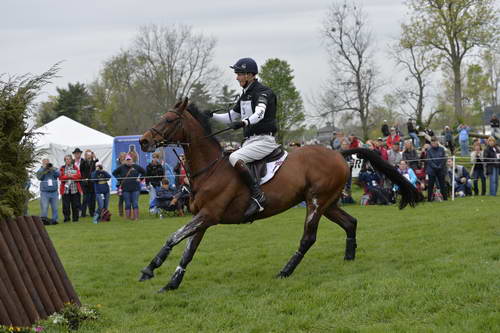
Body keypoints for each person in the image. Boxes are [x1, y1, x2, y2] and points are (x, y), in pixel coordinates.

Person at [208, 57, 279, 219]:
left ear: (249, 75)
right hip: (250, 141)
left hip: (264, 140)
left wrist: (244, 123)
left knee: (234, 157)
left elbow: (259, 114)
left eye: (239, 74)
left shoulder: (263, 92)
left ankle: (258, 195)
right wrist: (211, 115)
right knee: (226, 158)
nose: (236, 77)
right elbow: (232, 116)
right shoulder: (245, 95)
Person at [112, 154, 146, 220]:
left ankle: (136, 217)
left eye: (129, 160)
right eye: (127, 160)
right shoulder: (121, 167)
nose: (128, 161)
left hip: (135, 188)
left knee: (135, 203)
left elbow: (144, 172)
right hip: (125, 189)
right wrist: (119, 179)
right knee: (127, 203)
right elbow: (114, 173)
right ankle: (128, 218)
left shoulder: (136, 166)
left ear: (132, 160)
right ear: (125, 161)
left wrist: (140, 179)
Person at [59, 155, 83, 222]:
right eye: (66, 159)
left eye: (69, 159)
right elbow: (60, 178)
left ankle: (75, 219)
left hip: (74, 189)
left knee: (75, 205)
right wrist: (68, 176)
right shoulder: (62, 168)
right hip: (65, 190)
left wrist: (70, 176)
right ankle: (67, 218)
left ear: (71, 160)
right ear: (65, 160)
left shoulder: (75, 167)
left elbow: (79, 176)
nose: (68, 160)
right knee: (66, 206)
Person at [36, 158, 60, 225]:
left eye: (47, 163)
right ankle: (44, 220)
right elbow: (38, 177)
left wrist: (52, 168)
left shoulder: (53, 169)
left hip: (54, 192)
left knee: (55, 207)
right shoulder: (41, 170)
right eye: (45, 163)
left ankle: (55, 220)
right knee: (44, 207)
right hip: (45, 192)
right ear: (42, 163)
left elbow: (58, 174)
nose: (47, 164)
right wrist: (43, 168)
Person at [426, 137, 448, 201]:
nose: (433, 143)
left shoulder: (442, 149)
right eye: (432, 142)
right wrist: (435, 166)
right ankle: (429, 199)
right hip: (432, 170)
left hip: (441, 169)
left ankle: (445, 198)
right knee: (430, 185)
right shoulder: (429, 150)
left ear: (437, 141)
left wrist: (440, 166)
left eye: (434, 142)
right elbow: (429, 160)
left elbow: (444, 159)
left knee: (442, 184)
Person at [79, 149, 98, 218]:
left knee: (93, 198)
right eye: (87, 154)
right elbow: (81, 169)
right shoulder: (83, 162)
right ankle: (83, 213)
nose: (88, 156)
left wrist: (94, 156)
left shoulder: (93, 162)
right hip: (85, 182)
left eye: (89, 154)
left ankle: (92, 212)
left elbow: (98, 161)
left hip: (92, 182)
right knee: (85, 198)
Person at [116, 152, 127, 217]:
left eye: (124, 156)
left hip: (127, 183)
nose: (123, 157)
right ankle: (121, 213)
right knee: (121, 199)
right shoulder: (118, 164)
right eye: (122, 156)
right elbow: (117, 173)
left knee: (127, 198)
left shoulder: (128, 163)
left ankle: (127, 212)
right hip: (120, 184)